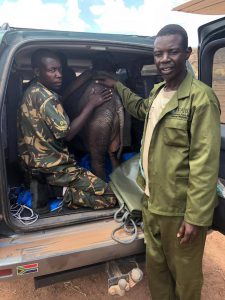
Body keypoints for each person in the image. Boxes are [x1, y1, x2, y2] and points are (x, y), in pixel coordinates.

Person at [97, 24, 221, 300]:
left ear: (187, 53)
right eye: (158, 53)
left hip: (179, 208)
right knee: (157, 269)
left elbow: (205, 162)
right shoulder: (156, 93)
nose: (163, 59)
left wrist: (195, 217)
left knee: (185, 275)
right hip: (151, 202)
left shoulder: (201, 99)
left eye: (172, 52)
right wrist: (117, 85)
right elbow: (140, 108)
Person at [17, 48, 117, 211]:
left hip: (33, 169)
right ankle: (57, 191)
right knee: (110, 197)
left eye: (60, 69)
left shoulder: (32, 90)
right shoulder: (48, 99)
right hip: (56, 170)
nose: (59, 75)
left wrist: (84, 77)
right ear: (37, 71)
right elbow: (68, 134)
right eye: (52, 70)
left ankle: (48, 187)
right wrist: (91, 104)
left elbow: (61, 99)